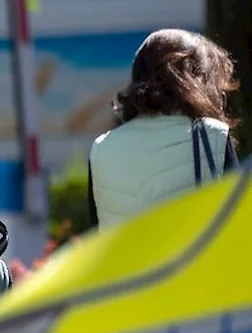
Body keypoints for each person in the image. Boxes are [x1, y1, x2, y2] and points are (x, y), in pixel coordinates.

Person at [89, 29, 241, 228]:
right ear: (200, 80)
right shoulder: (213, 135)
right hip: (195, 259)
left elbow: (96, 230)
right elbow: (240, 222)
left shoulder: (102, 147)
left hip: (132, 259)